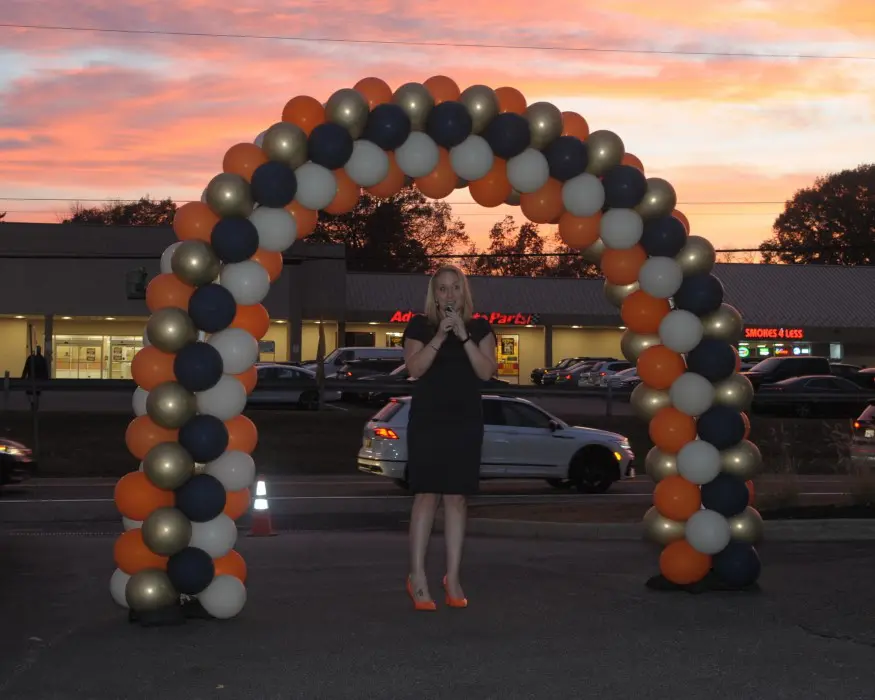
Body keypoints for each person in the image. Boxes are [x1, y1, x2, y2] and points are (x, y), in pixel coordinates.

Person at [401, 264, 497, 611]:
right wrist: (440, 337)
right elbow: (415, 369)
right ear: (434, 294)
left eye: (455, 287)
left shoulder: (481, 328)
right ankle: (417, 577)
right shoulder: (419, 326)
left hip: (464, 421)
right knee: (426, 495)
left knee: (456, 498)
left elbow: (485, 372)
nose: (449, 294)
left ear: (463, 292)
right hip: (429, 421)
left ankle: (452, 577)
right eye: (442, 288)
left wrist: (463, 336)